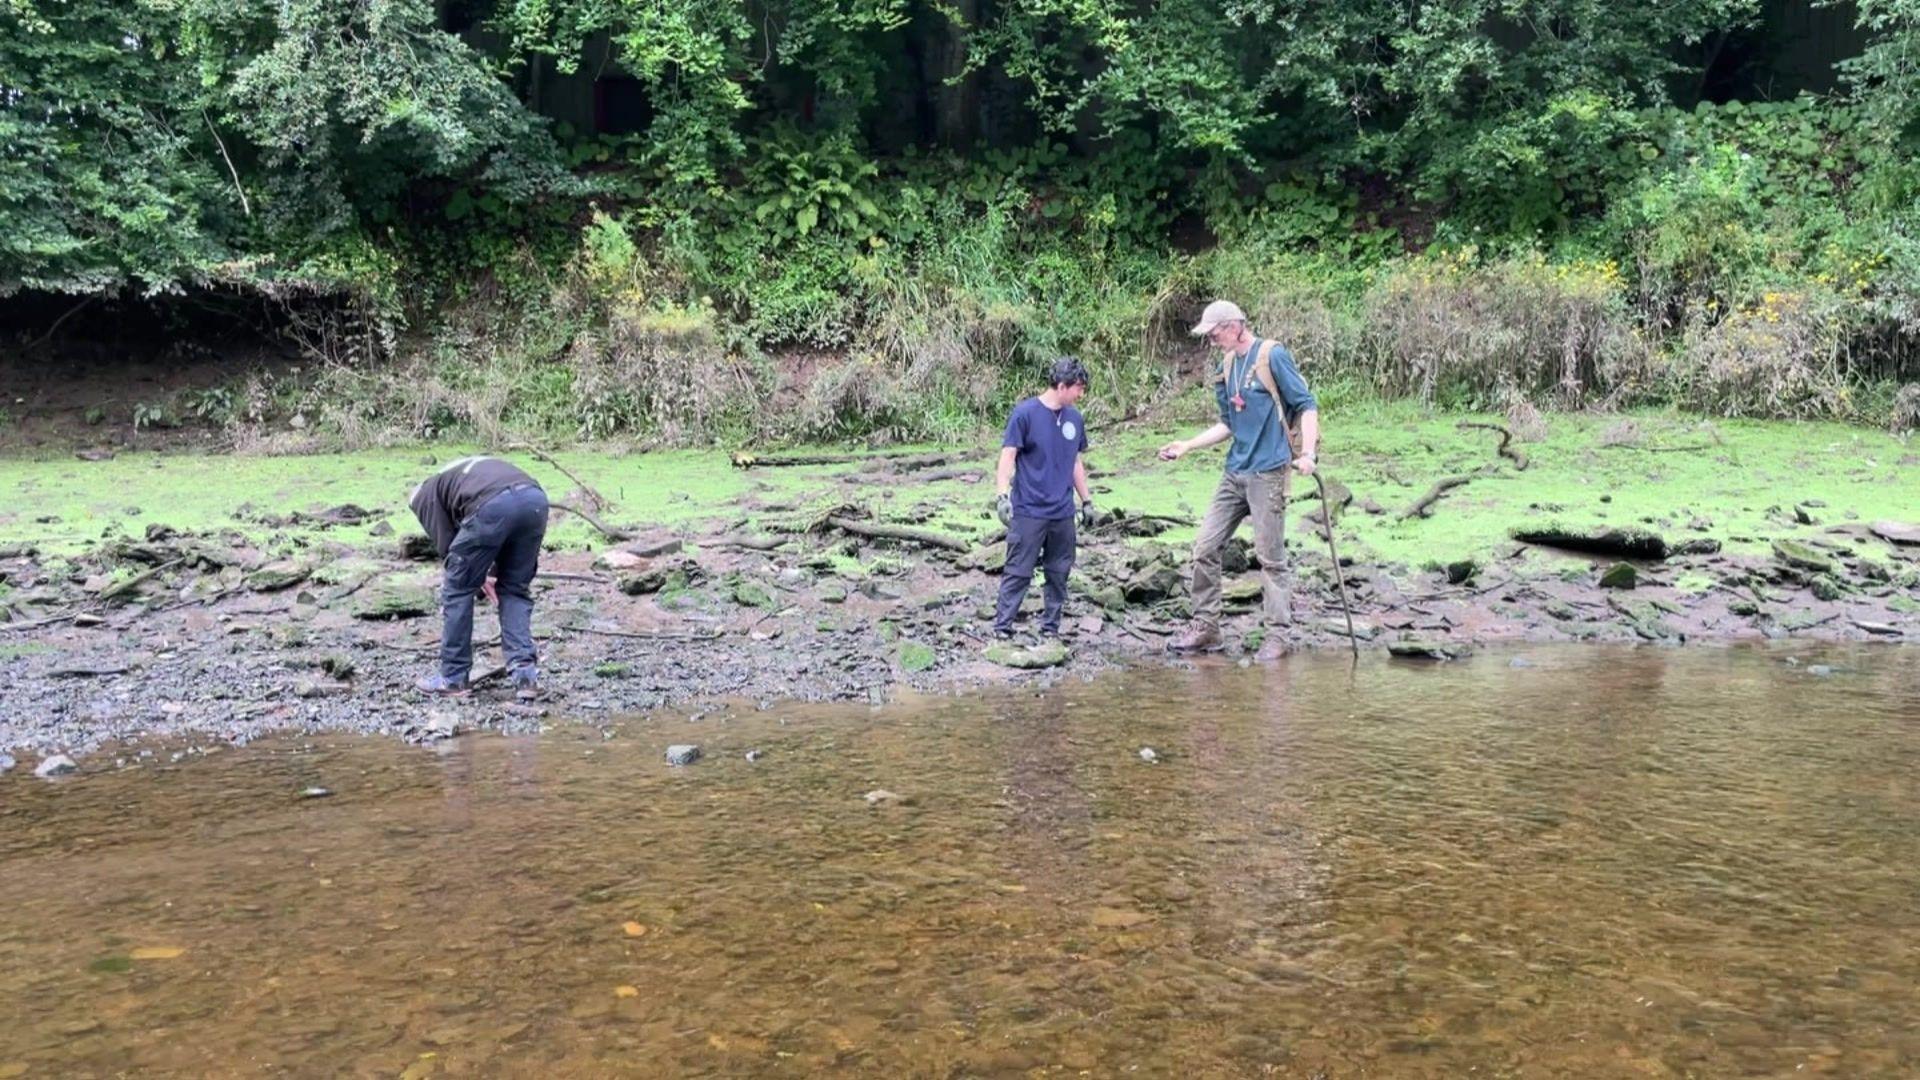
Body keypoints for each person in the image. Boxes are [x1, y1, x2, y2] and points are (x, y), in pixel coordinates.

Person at [1156, 300, 1320, 660]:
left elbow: (1307, 405)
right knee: (1204, 547)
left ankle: (1277, 635)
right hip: (1235, 473)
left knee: (1271, 558)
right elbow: (1228, 424)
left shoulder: (1272, 355)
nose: (1212, 341)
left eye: (1215, 334)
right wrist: (1188, 446)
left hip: (1269, 472)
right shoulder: (1226, 365)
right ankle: (1206, 627)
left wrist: (1308, 454)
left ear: (1234, 326)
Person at [408, 455, 550, 698]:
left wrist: (475, 576)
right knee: (515, 589)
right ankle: (525, 677)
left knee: (457, 589)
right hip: (534, 500)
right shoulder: (462, 472)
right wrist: (488, 572)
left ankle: (453, 678)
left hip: (493, 505)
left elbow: (450, 550)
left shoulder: (425, 496)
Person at [992, 356, 1097, 639]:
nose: (1081, 394)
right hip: (1029, 510)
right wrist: (1002, 497)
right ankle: (1003, 627)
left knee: (1059, 571)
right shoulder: (1025, 414)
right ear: (1062, 386)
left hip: (1062, 512)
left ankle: (1050, 627)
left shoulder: (1074, 418)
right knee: (1019, 570)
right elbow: (1008, 456)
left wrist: (1086, 501)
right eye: (1078, 388)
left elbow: (1075, 461)